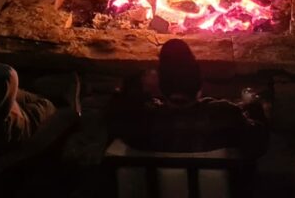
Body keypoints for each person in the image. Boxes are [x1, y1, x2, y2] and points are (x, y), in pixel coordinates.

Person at [107, 38, 267, 156]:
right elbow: (259, 143)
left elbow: (118, 110)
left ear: (160, 86)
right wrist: (253, 105)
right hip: (211, 188)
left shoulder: (142, 122)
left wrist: (140, 83)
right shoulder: (226, 115)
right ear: (199, 84)